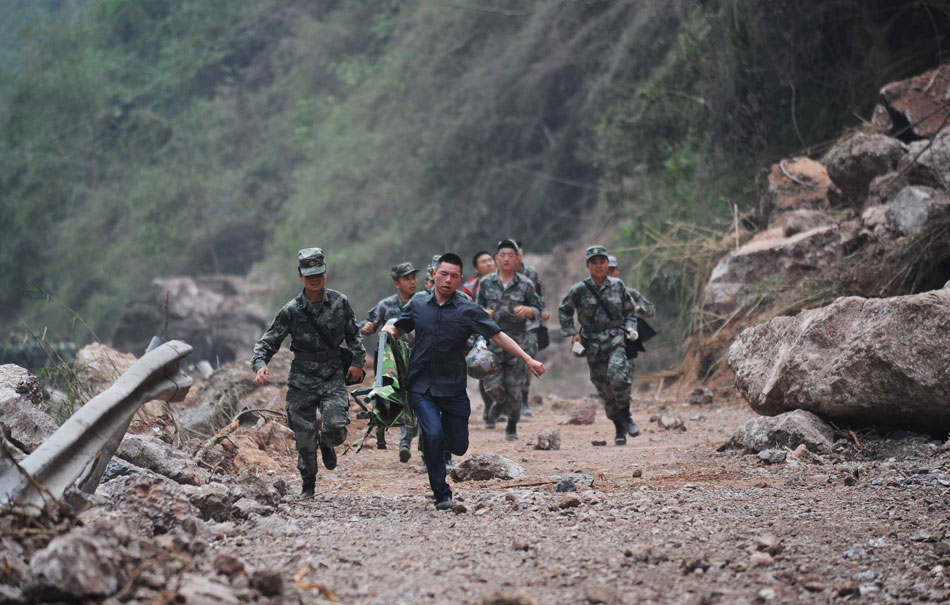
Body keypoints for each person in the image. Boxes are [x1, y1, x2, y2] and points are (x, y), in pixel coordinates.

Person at [381, 252, 545, 510]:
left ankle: (444, 450)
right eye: (443, 274)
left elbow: (499, 336)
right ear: (434, 274)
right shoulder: (417, 304)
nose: (447, 280)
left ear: (460, 280)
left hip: (453, 388)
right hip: (421, 386)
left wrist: (528, 359)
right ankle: (441, 493)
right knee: (432, 436)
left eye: (453, 276)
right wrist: (389, 330)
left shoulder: (468, 309)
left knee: (458, 445)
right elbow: (401, 326)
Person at [251, 248, 365, 498]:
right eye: (309, 274)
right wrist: (260, 364)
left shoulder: (339, 302)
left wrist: (357, 361)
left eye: (319, 273)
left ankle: (327, 442)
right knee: (304, 439)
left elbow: (353, 334)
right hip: (302, 381)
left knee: (335, 426)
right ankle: (308, 485)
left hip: (333, 376)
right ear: (300, 276)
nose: (315, 279)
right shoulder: (291, 310)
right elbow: (268, 341)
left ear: (325, 272)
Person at [558, 245, 640, 446]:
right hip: (592, 343)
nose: (599, 266)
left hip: (615, 338)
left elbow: (630, 311)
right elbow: (564, 311)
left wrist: (630, 328)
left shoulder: (617, 285)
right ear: (588, 265)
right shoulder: (579, 289)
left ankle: (627, 416)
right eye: (594, 262)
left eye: (602, 261)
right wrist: (573, 333)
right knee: (604, 388)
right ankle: (618, 427)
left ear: (607, 263)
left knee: (617, 375)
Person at [476, 239, 542, 440]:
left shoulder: (526, 284)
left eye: (510, 256)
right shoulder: (486, 283)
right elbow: (475, 308)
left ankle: (512, 425)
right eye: (502, 255)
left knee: (515, 389)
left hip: (518, 342)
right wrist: (483, 312)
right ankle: (499, 402)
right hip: (493, 341)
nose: (506, 259)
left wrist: (529, 310)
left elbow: (539, 309)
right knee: (491, 385)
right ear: (496, 259)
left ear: (517, 259)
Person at [360, 262, 421, 459]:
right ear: (397, 284)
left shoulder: (424, 301)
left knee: (419, 399)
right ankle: (405, 439)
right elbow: (369, 323)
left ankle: (415, 442)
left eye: (413, 278)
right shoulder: (386, 305)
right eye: (407, 279)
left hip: (419, 359)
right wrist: (367, 328)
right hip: (392, 363)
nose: (412, 282)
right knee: (400, 397)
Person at [515, 240, 549, 418]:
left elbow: (539, 296)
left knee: (528, 359)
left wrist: (542, 311)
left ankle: (524, 399)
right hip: (506, 326)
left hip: (529, 323)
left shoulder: (530, 273)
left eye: (518, 254)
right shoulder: (496, 276)